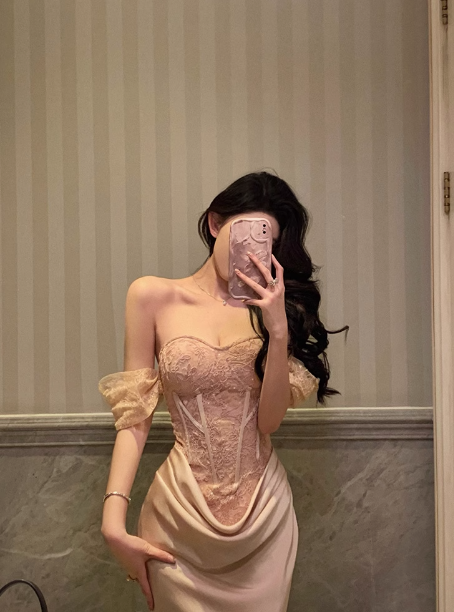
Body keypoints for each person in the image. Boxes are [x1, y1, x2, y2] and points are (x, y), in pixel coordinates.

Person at [98, 170, 346, 612]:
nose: (251, 251)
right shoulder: (151, 296)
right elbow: (135, 416)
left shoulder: (274, 310)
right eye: (243, 233)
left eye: (266, 242)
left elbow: (268, 422)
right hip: (179, 519)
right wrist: (113, 521)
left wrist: (278, 332)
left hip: (263, 523)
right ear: (215, 223)